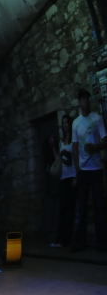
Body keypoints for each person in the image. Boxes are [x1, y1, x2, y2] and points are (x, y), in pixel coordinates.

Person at [70, 88, 106, 251]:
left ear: (89, 100)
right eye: (82, 99)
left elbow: (105, 141)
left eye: (86, 99)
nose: (84, 101)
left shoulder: (97, 118)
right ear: (79, 102)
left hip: (97, 169)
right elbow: (75, 147)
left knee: (99, 206)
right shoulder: (76, 123)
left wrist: (95, 147)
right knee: (82, 207)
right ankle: (80, 242)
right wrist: (77, 170)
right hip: (83, 171)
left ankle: (102, 242)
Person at [49, 114, 75, 248]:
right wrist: (53, 147)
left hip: (72, 177)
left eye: (67, 123)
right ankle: (62, 239)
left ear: (70, 124)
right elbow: (58, 159)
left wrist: (76, 177)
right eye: (63, 123)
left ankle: (69, 239)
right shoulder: (62, 142)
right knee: (63, 209)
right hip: (63, 178)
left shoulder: (74, 140)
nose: (65, 125)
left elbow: (76, 158)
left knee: (71, 209)